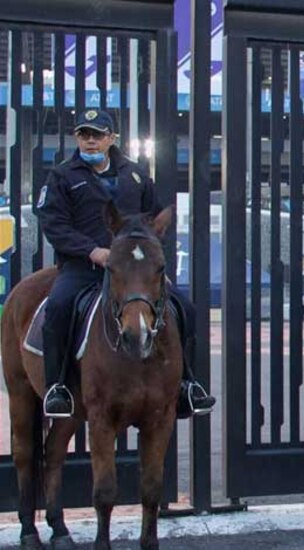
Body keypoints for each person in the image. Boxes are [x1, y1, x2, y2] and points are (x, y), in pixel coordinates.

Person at [36, 108, 216, 419]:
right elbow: (54, 224)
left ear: (111, 138)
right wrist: (92, 251)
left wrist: (151, 263)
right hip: (84, 267)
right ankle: (58, 388)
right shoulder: (63, 176)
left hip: (133, 272)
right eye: (84, 134)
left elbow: (153, 220)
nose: (90, 141)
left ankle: (188, 383)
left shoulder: (135, 175)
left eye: (97, 135)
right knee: (58, 308)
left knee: (185, 308)